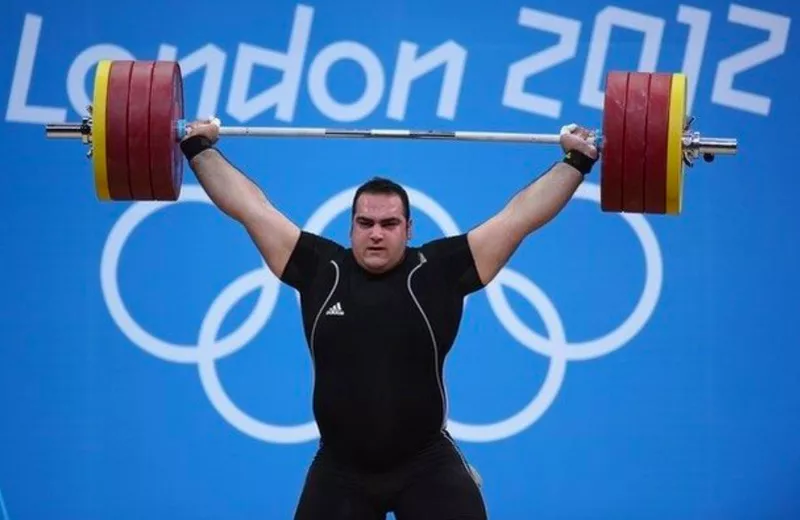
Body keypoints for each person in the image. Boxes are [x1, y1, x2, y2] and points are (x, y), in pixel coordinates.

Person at [179, 119, 599, 520]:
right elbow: (251, 208)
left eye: (388, 223)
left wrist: (576, 161)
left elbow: (519, 217)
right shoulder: (320, 269)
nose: (376, 233)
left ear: (409, 228)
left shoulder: (438, 271)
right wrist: (199, 148)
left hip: (426, 464)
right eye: (365, 223)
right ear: (350, 228)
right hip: (340, 469)